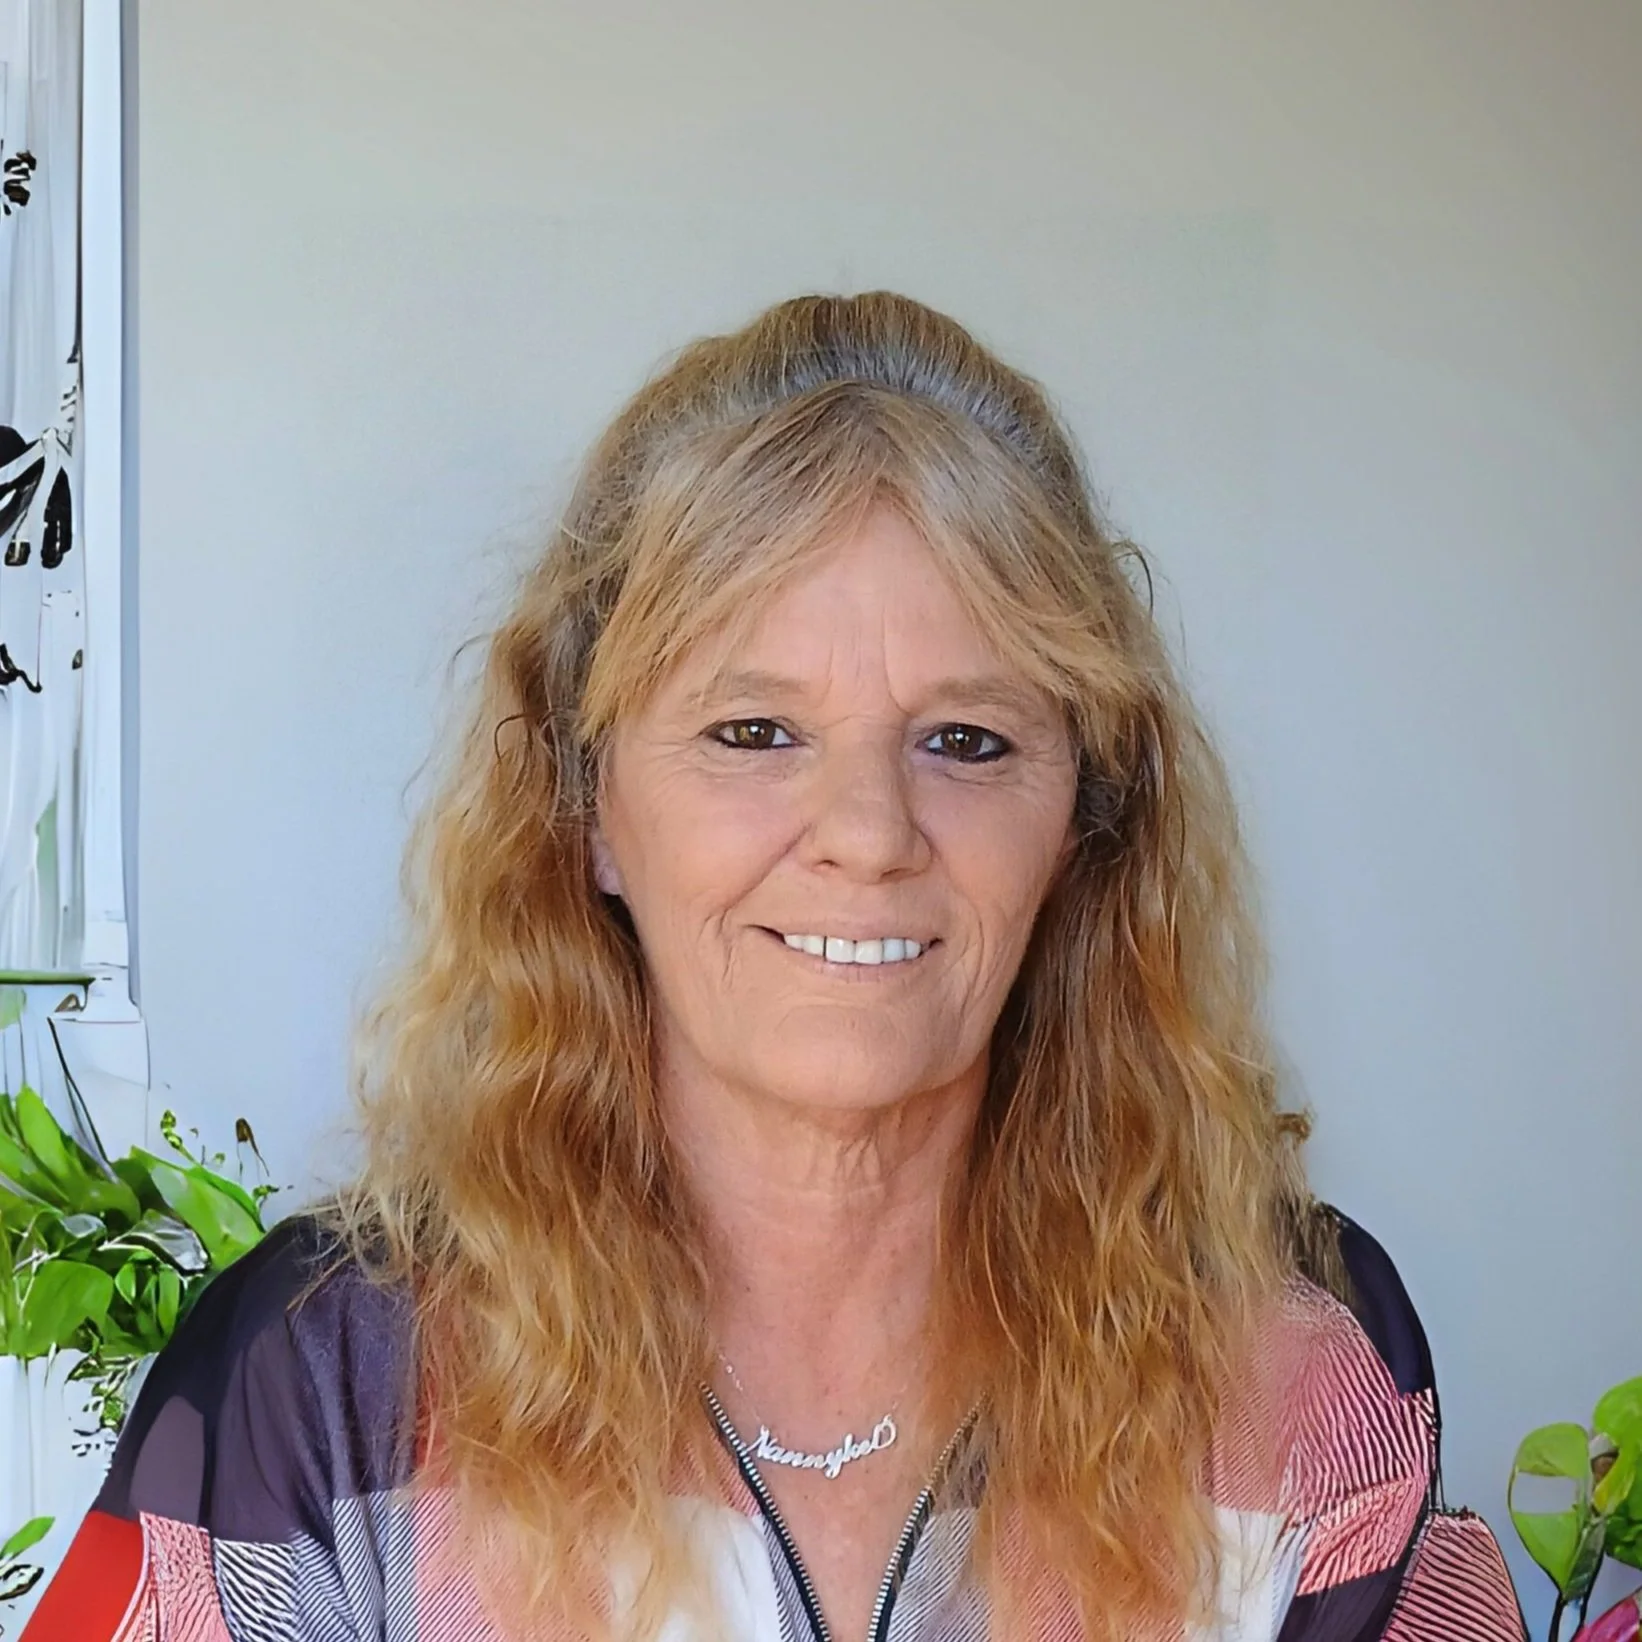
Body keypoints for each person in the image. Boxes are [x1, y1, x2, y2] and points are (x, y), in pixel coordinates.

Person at [27, 292, 1527, 1642]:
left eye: (968, 740)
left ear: (1081, 815)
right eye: (753, 733)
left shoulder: (1297, 1365)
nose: (868, 834)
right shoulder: (320, 1392)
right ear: (590, 803)